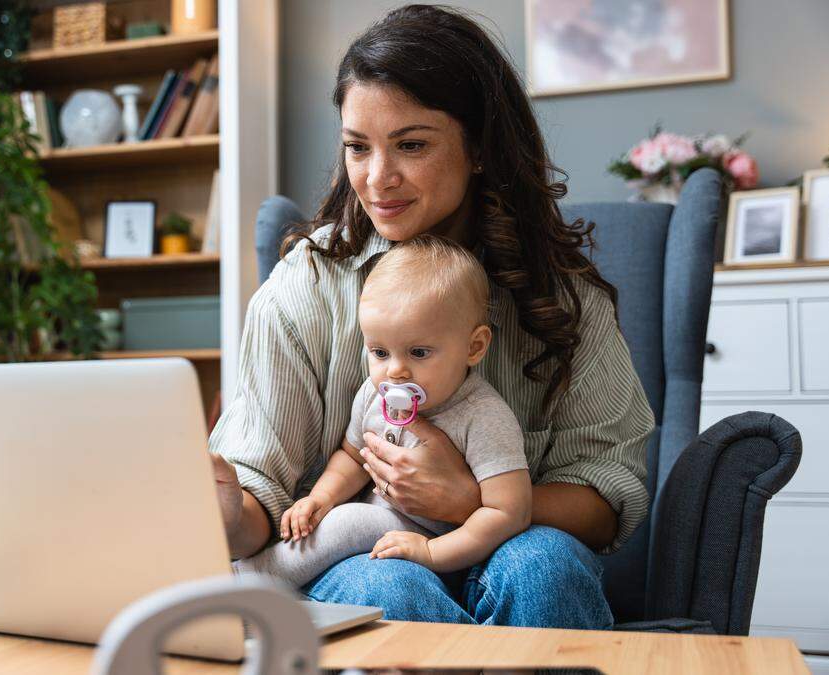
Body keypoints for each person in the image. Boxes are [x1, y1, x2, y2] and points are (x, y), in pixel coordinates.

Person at [207, 4, 654, 629]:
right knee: (387, 584)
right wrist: (224, 505)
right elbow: (261, 496)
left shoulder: (561, 294)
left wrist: (471, 501)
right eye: (357, 148)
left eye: (411, 145)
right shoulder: (306, 283)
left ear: (478, 147)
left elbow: (608, 493)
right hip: (368, 552)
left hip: (518, 545)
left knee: (545, 568)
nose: (377, 179)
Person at [233, 235, 530, 588]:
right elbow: (352, 456)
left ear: (474, 346)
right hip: (386, 536)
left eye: (418, 353)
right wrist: (320, 498)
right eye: (379, 352)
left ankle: (254, 582)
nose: (395, 372)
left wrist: (433, 551)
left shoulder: (483, 416)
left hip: (446, 544)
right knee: (336, 519)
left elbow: (509, 512)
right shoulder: (374, 394)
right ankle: (262, 581)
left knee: (349, 523)